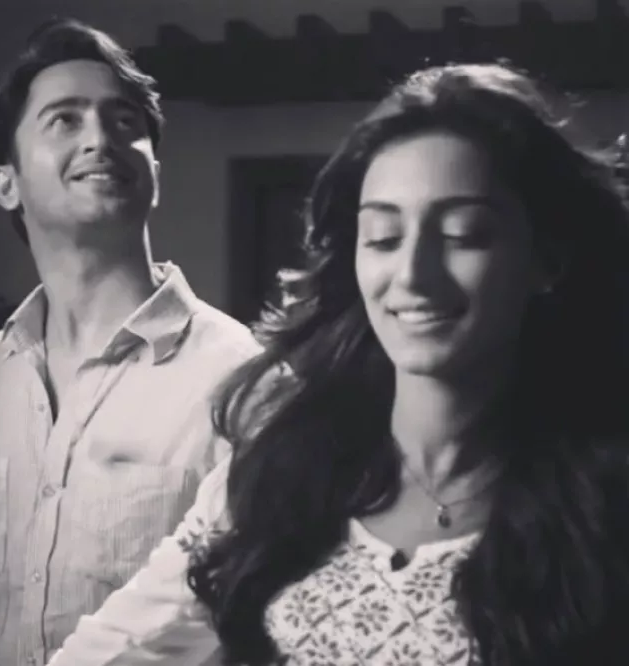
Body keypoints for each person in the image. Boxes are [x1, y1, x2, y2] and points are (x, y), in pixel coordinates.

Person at [48, 63, 629, 666]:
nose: (412, 276)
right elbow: (108, 652)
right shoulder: (280, 471)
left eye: (462, 234)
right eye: (383, 238)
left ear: (547, 260)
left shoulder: (603, 510)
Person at [0, 18, 259, 666]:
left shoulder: (242, 382)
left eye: (124, 122)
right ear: (7, 184)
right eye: (64, 120)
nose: (100, 138)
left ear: (155, 172)